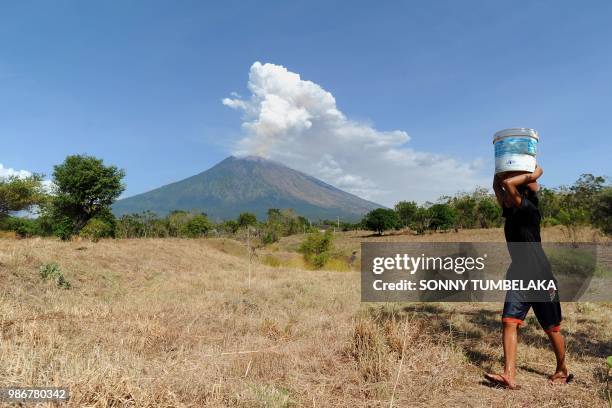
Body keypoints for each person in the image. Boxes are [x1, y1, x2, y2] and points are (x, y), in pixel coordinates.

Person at [484, 165, 573, 389]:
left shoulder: (529, 210)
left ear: (520, 195)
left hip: (541, 276)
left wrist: (533, 175)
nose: (502, 198)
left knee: (551, 327)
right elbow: (499, 185)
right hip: (519, 275)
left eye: (507, 195)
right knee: (508, 321)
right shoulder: (511, 210)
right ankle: (509, 375)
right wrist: (501, 165)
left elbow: (508, 184)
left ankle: (562, 369)